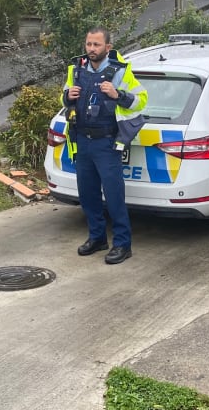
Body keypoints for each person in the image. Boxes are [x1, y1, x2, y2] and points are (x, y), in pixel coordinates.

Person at [62, 27, 147, 264]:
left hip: (107, 142)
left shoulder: (120, 71)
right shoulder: (76, 69)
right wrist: (68, 97)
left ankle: (122, 244)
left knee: (113, 195)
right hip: (82, 141)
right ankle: (97, 238)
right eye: (88, 44)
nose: (91, 49)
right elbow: (64, 98)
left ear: (107, 47)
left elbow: (141, 101)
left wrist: (117, 94)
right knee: (87, 194)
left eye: (96, 45)